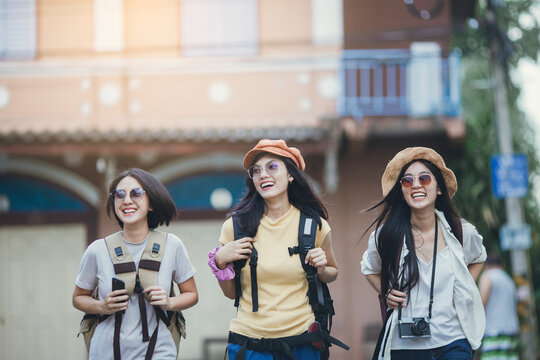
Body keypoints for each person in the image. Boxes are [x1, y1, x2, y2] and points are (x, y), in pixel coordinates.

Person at [208, 139, 339, 360]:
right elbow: (232, 293)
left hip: (301, 344)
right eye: (256, 171)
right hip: (249, 345)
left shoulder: (312, 225)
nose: (263, 175)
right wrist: (220, 262)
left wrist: (322, 268)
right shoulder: (236, 226)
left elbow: (332, 273)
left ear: (290, 175)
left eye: (272, 167)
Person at [361, 147, 487, 360]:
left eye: (425, 178)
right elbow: (369, 269)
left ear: (439, 188)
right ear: (402, 191)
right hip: (405, 345)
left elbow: (478, 258)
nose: (416, 185)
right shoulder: (386, 235)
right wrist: (386, 291)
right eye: (408, 181)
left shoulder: (461, 232)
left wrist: (464, 287)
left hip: (453, 340)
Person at [73, 168, 198, 359]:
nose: (127, 201)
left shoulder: (172, 245)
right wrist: (102, 306)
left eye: (136, 193)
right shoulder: (98, 250)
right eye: (119, 195)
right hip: (106, 352)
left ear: (151, 204)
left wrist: (169, 302)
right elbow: (78, 298)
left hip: (159, 350)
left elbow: (191, 294)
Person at [478, 254, 520, 360]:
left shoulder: (487, 276)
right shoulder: (509, 280)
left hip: (494, 331)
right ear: (502, 265)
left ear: (486, 265)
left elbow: (482, 302)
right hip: (511, 330)